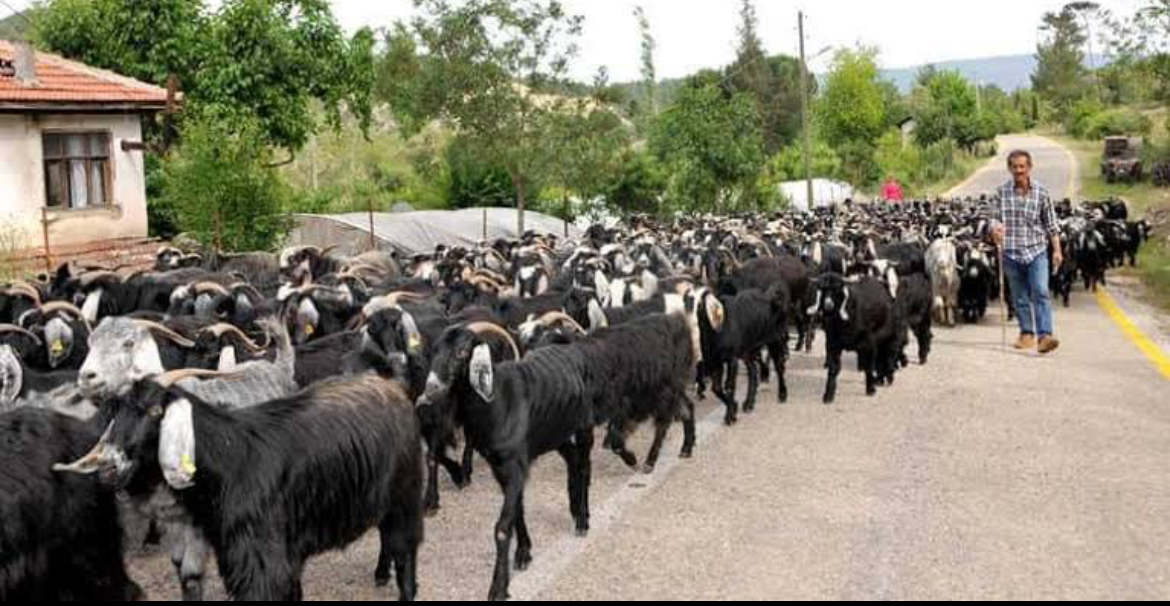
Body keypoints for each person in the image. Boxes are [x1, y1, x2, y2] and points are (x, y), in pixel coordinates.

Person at [992, 150, 1063, 355]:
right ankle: (1026, 333)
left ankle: (1045, 336)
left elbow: (1051, 225)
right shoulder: (1001, 192)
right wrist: (994, 229)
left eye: (1022, 166)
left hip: (1036, 251)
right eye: (1014, 166)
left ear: (1029, 168)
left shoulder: (1042, 193)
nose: (1018, 170)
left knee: (1040, 290)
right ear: (1009, 168)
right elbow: (994, 218)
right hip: (1011, 252)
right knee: (1019, 296)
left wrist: (1057, 250)